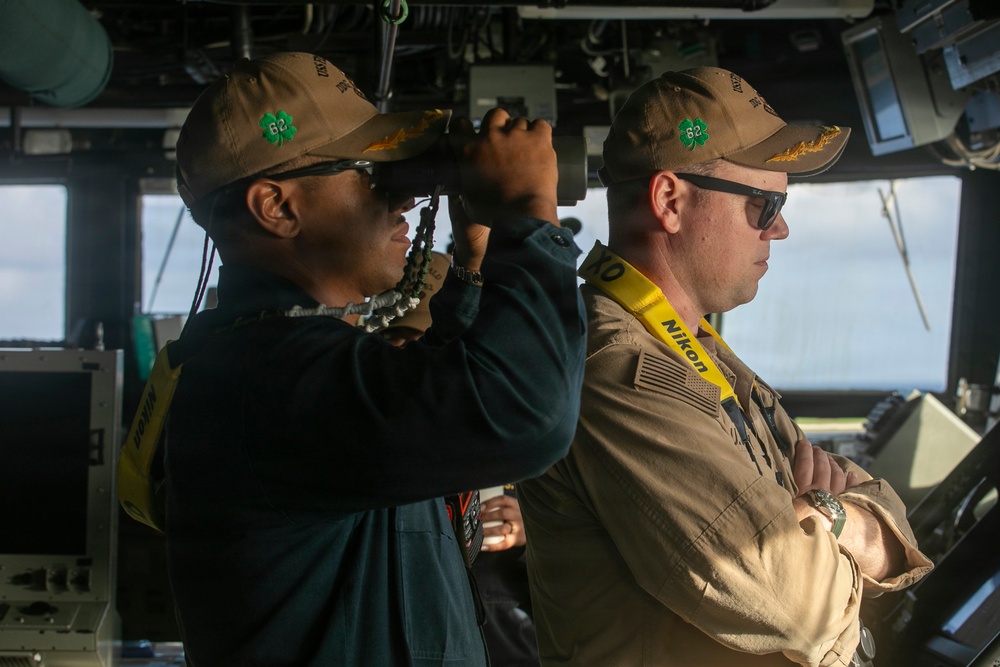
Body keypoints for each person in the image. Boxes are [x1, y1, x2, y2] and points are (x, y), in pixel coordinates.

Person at [163, 51, 586, 666]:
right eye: (373, 175)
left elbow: (421, 408)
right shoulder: (266, 378)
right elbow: (525, 414)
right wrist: (527, 213)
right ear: (277, 207)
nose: (403, 202)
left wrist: (473, 263)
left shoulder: (287, 360)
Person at [516, 66, 934, 666]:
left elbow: (894, 541)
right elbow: (798, 607)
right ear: (669, 201)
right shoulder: (615, 365)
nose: (782, 228)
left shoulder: (699, 350)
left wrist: (828, 519)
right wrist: (845, 523)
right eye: (765, 205)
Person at [381, 250, 542, 667]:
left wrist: (532, 531)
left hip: (501, 638)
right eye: (398, 344)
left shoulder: (518, 431)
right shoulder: (359, 434)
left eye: (430, 348)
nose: (417, 365)